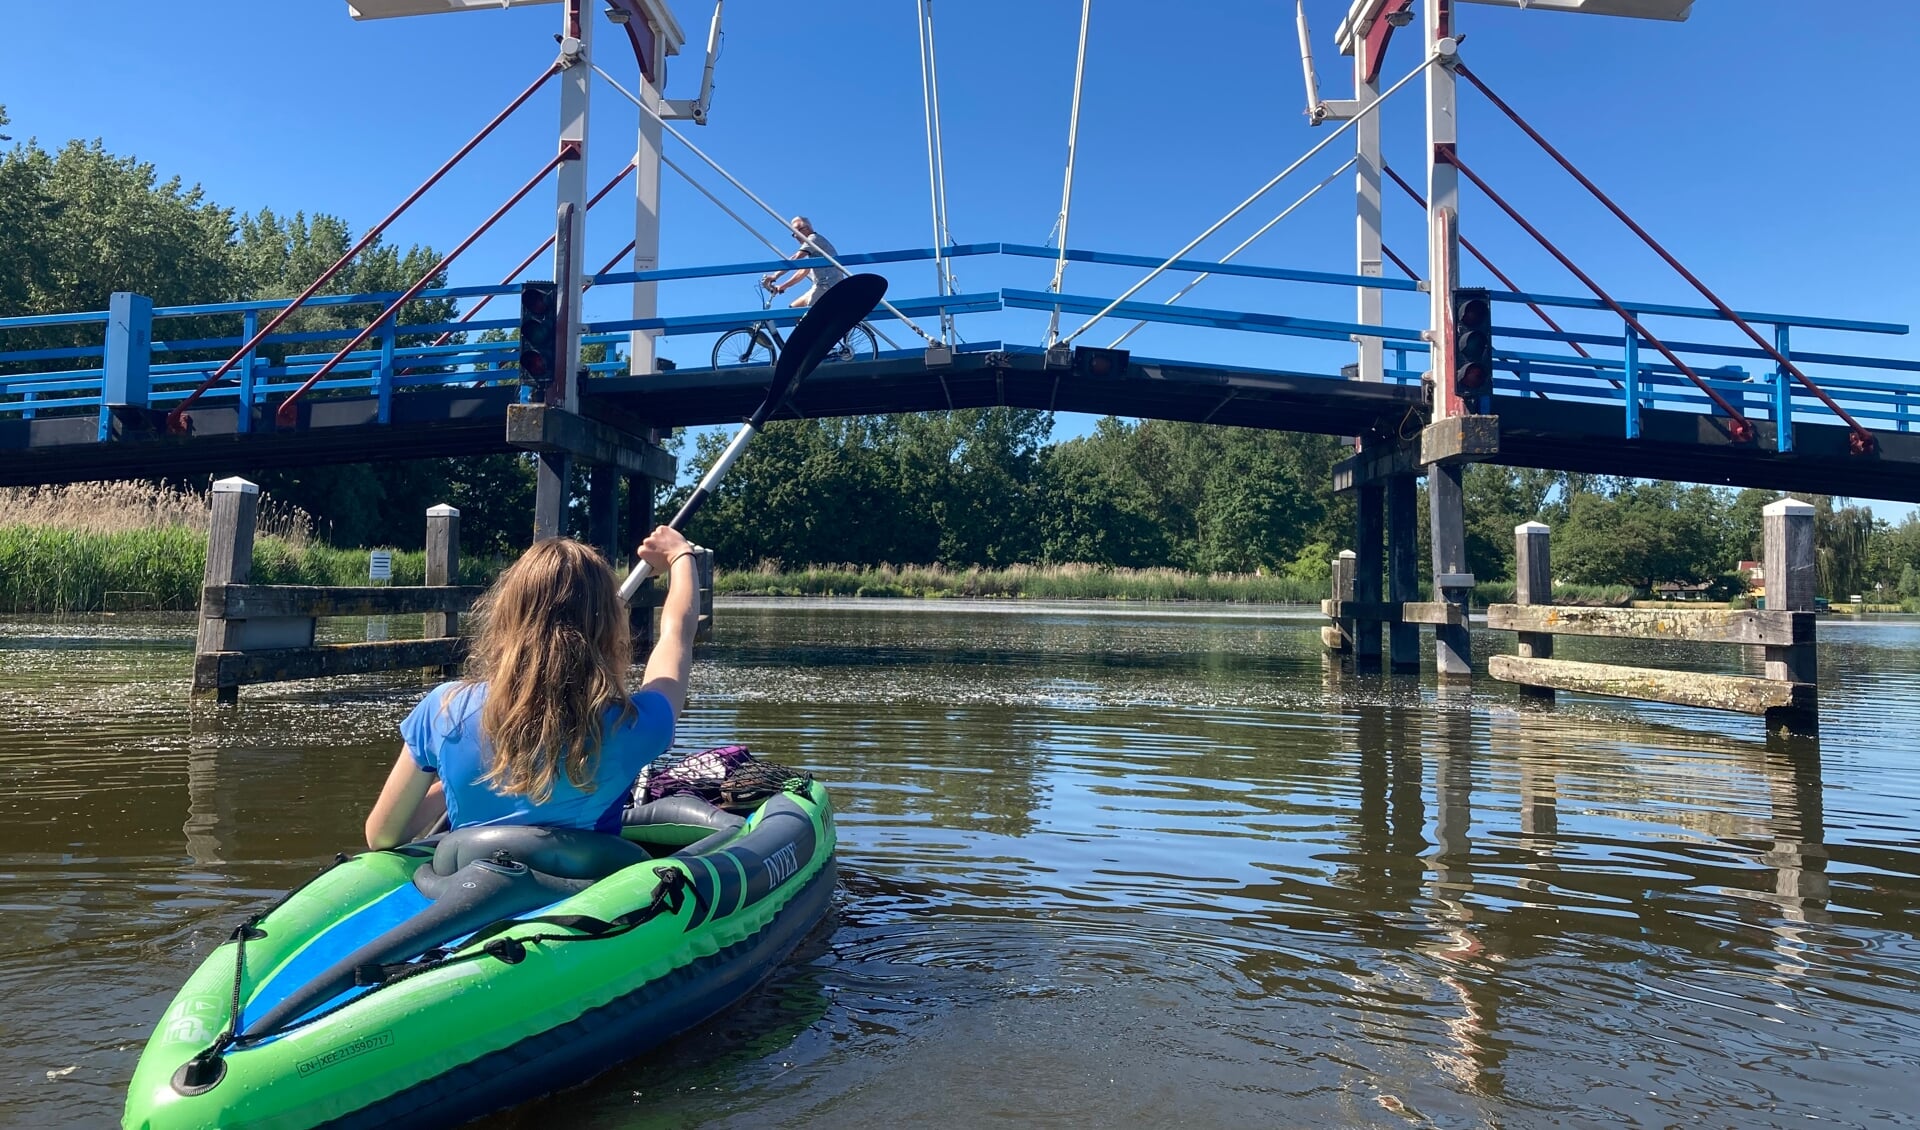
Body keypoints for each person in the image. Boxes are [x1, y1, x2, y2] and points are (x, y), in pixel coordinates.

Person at [362, 527, 702, 850]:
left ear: (507, 615)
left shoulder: (444, 707)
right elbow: (677, 636)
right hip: (581, 893)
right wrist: (679, 555)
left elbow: (383, 835)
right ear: (611, 627)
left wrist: (456, 780)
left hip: (467, 881)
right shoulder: (636, 724)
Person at [762, 216, 847, 309]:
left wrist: (775, 276)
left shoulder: (814, 239)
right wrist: (783, 286)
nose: (795, 236)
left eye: (797, 232)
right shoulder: (812, 250)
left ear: (806, 229)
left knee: (810, 314)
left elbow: (796, 257)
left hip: (828, 285)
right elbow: (803, 272)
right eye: (793, 234)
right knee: (794, 309)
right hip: (819, 286)